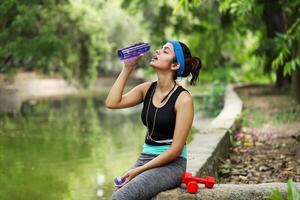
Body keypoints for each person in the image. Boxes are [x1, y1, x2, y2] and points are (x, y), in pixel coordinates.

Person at [105, 40, 202, 200]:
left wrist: (139, 170)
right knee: (117, 194)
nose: (157, 51)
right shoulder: (146, 89)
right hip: (145, 157)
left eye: (165, 51)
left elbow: (175, 150)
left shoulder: (183, 100)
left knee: (122, 197)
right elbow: (112, 102)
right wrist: (128, 68)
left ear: (175, 65)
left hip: (172, 165)